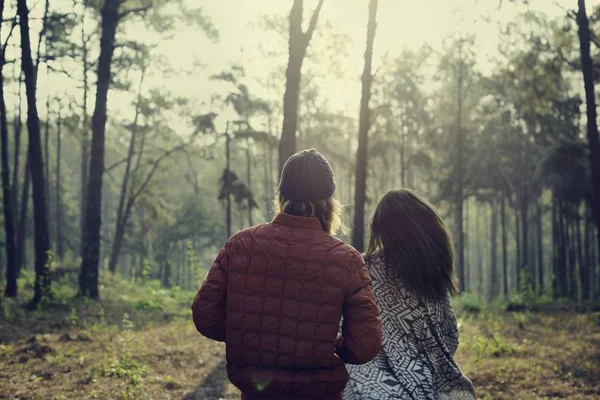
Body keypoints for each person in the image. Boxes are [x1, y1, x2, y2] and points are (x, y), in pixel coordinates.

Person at [192, 148, 382, 400]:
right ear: (330, 204)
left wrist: (251, 336)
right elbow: (365, 345)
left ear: (281, 196)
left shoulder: (241, 244)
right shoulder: (346, 259)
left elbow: (206, 317)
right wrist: (334, 345)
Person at [344, 189, 476, 400]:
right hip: (429, 377)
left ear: (382, 228)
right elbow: (449, 337)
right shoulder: (430, 273)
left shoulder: (364, 268)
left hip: (366, 378)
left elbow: (348, 328)